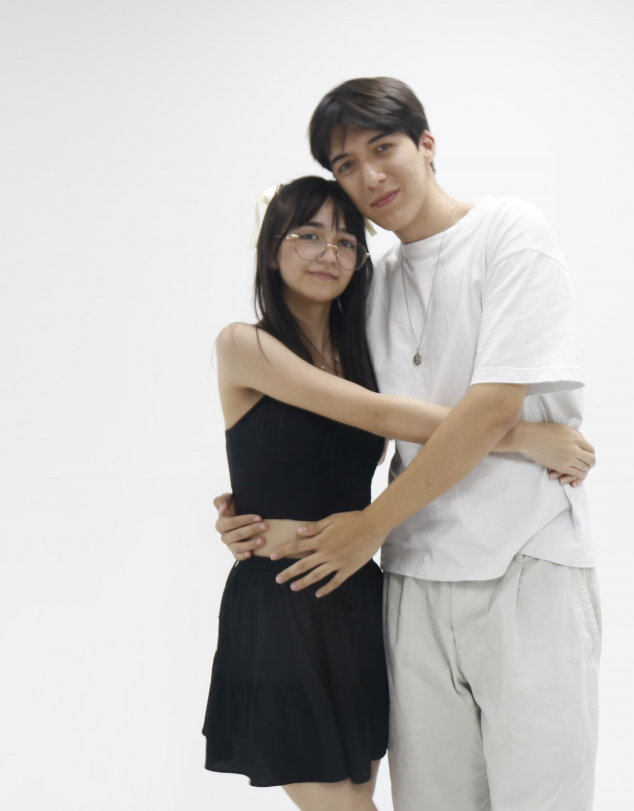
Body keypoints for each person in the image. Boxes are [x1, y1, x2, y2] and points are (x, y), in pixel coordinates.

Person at [215, 78, 601, 811]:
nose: (369, 176)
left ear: (426, 145)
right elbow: (334, 414)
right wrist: (255, 513)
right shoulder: (369, 284)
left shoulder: (509, 230)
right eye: (346, 165)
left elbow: (490, 405)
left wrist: (370, 523)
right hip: (409, 578)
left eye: (383, 148)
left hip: (524, 561)